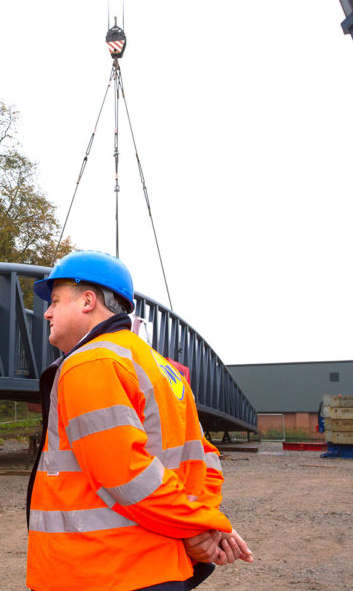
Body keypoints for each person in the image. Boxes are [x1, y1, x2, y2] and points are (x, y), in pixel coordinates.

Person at [26, 250, 252, 591]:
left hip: (105, 569)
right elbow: (205, 460)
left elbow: (126, 474)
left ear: (87, 300)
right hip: (157, 565)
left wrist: (200, 526)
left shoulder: (91, 362)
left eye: (55, 300)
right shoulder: (164, 369)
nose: (47, 312)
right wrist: (201, 526)